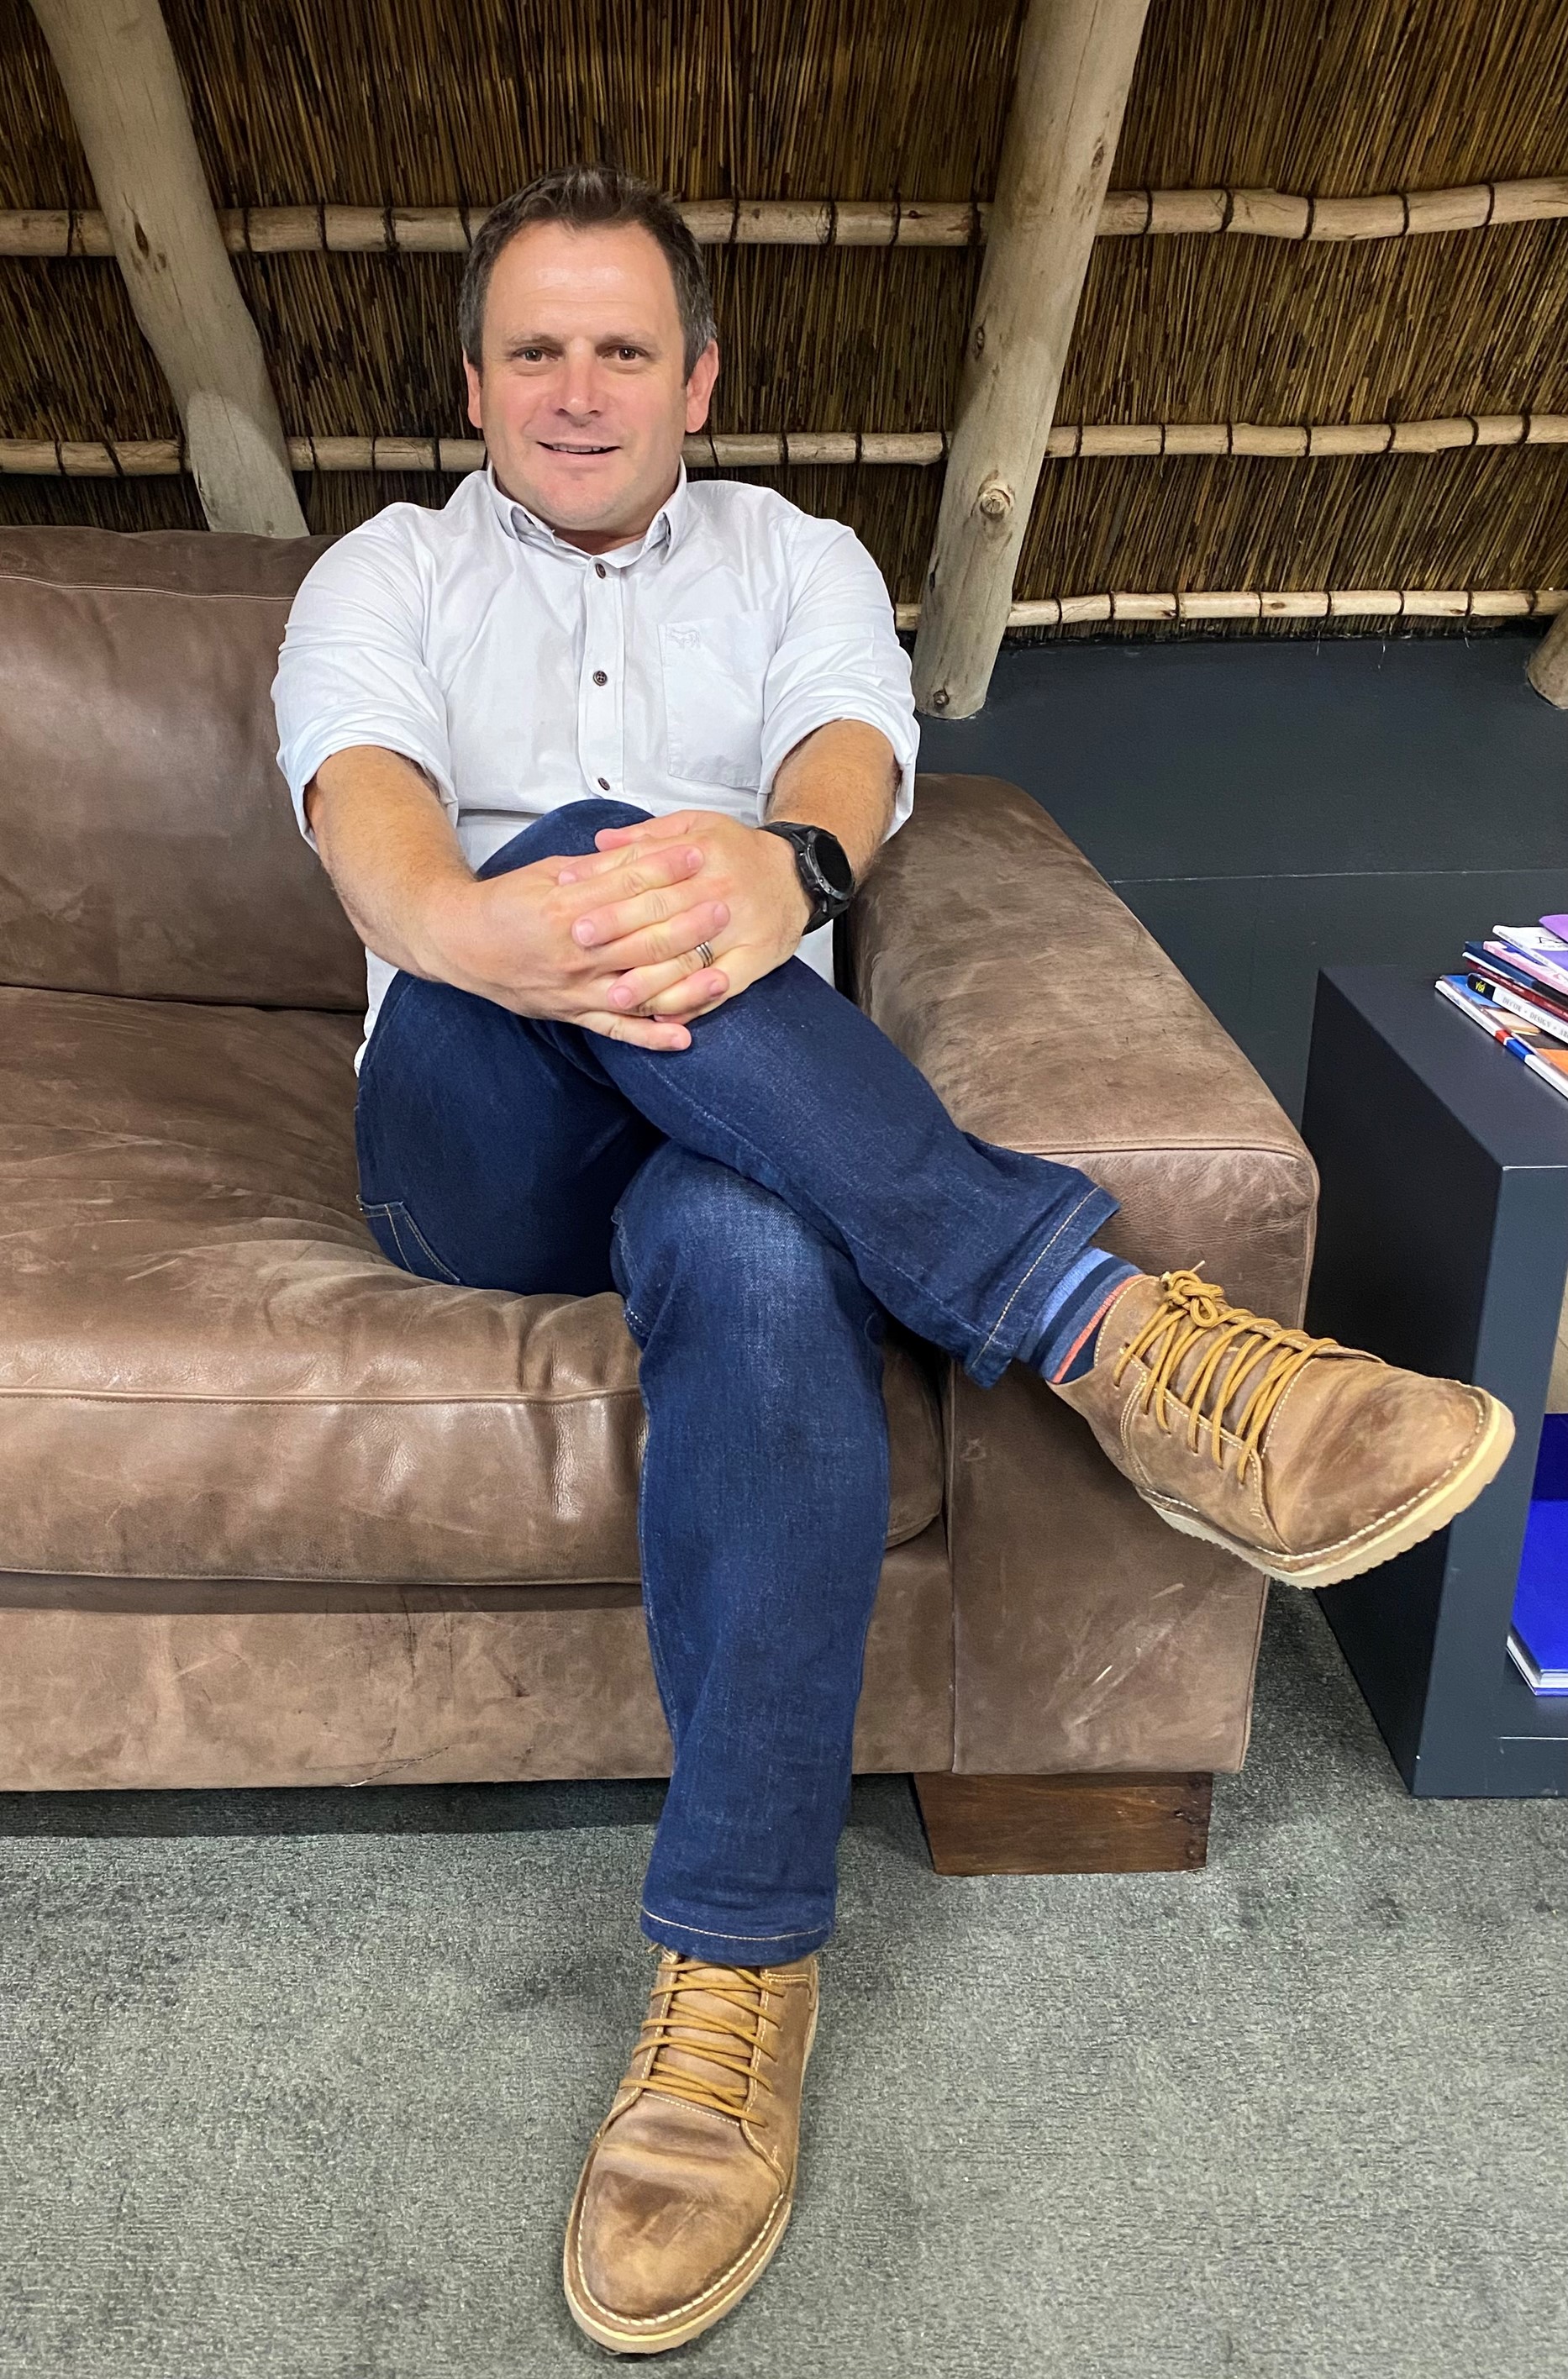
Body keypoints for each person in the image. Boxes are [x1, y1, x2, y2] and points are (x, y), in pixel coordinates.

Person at [271, 163, 1513, 2356]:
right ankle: (1108, 1328)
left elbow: (851, 754)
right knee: (588, 844)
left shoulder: (799, 559)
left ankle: (734, 1978)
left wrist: (790, 866)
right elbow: (368, 809)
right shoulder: (385, 571)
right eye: (535, 350)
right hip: (474, 1125)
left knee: (767, 1255)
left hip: (751, 1131)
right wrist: (492, 921)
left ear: (699, 377)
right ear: (473, 384)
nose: (577, 389)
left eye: (622, 348)